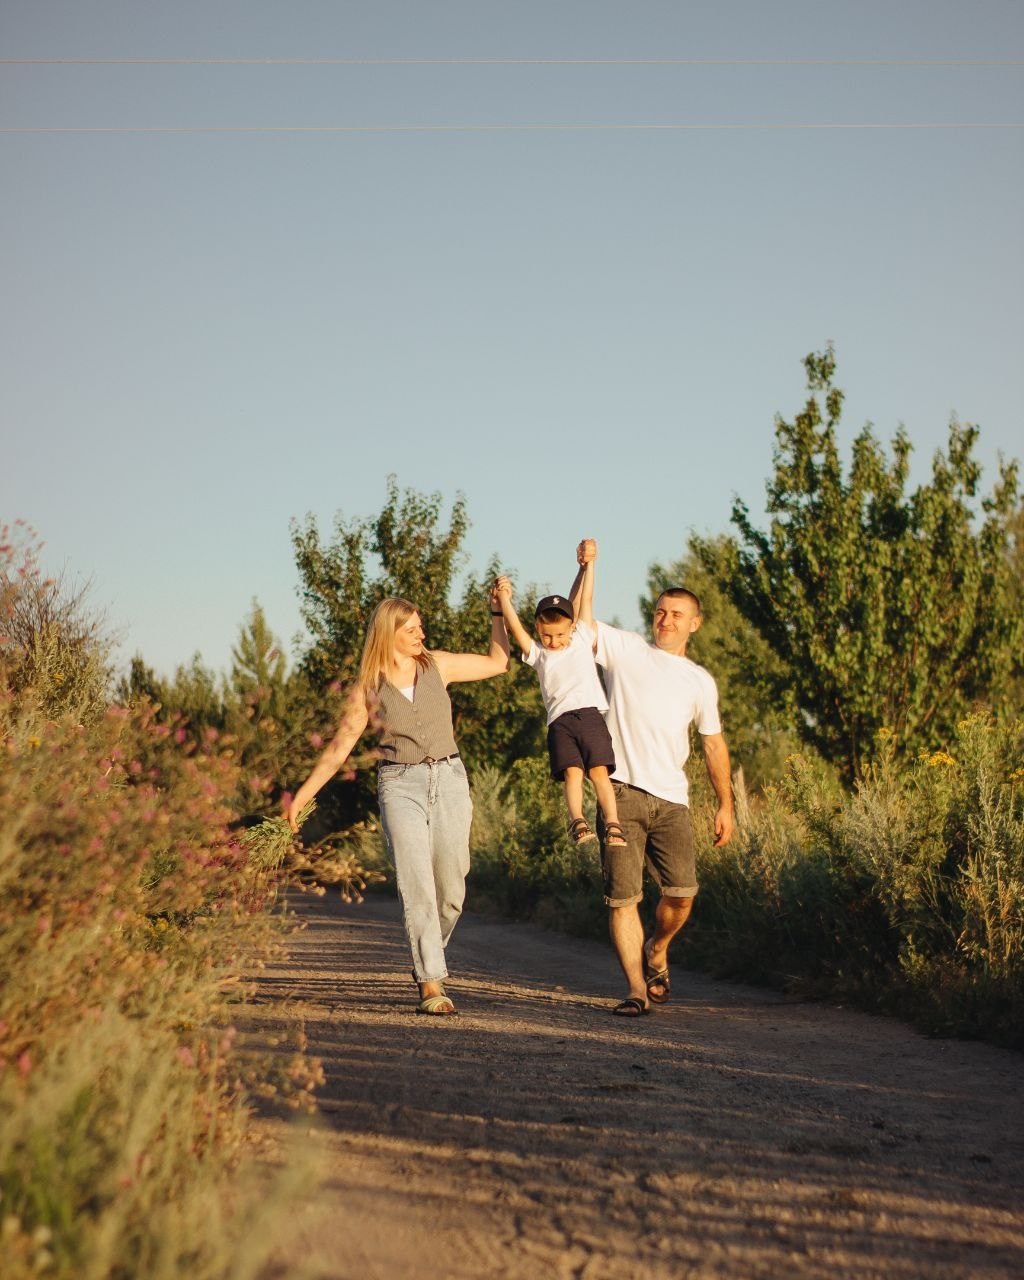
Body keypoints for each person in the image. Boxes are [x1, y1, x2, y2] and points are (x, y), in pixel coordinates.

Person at [287, 593, 510, 1016]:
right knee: (417, 884)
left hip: (449, 779)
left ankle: (429, 954)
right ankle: (430, 981)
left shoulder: (438, 664)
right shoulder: (368, 687)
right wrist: (302, 796)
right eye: (411, 629)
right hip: (399, 784)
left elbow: (499, 662)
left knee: (452, 889)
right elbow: (339, 749)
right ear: (388, 633)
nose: (420, 633)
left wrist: (498, 611)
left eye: (419, 626)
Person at [570, 538, 734, 1017]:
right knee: (623, 898)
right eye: (661, 612)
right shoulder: (626, 649)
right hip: (619, 794)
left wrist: (726, 804)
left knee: (681, 896)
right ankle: (636, 990)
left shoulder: (700, 681)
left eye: (676, 614)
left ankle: (657, 949)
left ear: (694, 623)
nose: (665, 620)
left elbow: (713, 745)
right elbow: (577, 623)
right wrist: (586, 569)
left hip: (672, 802)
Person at [493, 567, 627, 850]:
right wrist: (504, 599)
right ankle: (577, 820)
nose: (553, 642)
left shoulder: (581, 639)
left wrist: (588, 566)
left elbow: (583, 598)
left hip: (590, 716)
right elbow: (515, 627)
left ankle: (613, 823)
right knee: (572, 774)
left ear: (572, 627)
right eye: (546, 636)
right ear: (538, 630)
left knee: (599, 772)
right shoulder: (538, 654)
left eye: (559, 635)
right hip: (560, 723)